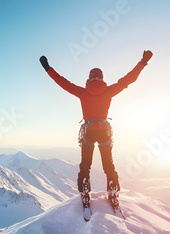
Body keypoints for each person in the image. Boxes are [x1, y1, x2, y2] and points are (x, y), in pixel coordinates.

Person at [39, 50, 153, 217]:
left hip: (88, 133)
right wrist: (143, 62)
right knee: (109, 165)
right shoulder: (109, 91)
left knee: (86, 165)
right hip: (104, 133)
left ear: (90, 78)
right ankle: (112, 192)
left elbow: (62, 82)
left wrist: (47, 68)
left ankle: (85, 192)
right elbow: (129, 79)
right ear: (101, 78)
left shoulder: (83, 92)